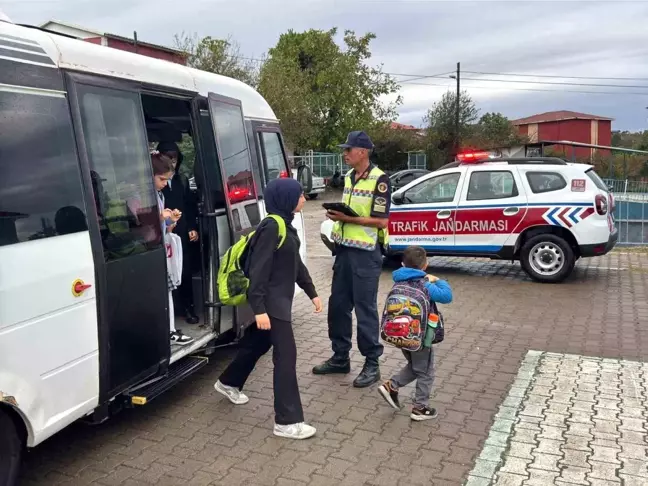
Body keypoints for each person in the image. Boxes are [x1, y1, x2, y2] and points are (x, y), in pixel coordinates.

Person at [214, 178, 322, 440]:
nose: (304, 199)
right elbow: (257, 272)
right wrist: (259, 309)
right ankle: (287, 421)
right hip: (272, 305)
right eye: (299, 195)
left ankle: (228, 382)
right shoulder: (272, 227)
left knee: (259, 344)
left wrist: (312, 293)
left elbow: (295, 264)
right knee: (286, 358)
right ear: (286, 198)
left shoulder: (285, 225)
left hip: (277, 302)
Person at [313, 131, 391, 388]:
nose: (345, 153)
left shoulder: (380, 180)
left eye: (349, 149)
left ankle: (372, 363)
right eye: (344, 149)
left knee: (364, 308)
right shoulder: (349, 177)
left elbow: (381, 221)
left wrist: (348, 219)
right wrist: (337, 216)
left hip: (366, 253)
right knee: (338, 306)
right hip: (344, 250)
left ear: (364, 152)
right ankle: (340, 357)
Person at [377, 246, 452, 420]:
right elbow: (447, 296)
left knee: (417, 366)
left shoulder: (399, 283)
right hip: (421, 336)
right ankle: (420, 407)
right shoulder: (426, 285)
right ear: (425, 265)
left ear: (403, 264)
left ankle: (392, 386)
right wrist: (437, 280)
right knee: (425, 371)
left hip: (400, 335)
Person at [151, 151, 194, 346]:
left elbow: (164, 227)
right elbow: (142, 227)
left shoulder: (159, 195)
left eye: (167, 180)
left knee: (168, 289)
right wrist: (160, 218)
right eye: (161, 179)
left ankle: (169, 330)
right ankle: (165, 331)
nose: (165, 184)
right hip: (150, 250)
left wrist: (170, 221)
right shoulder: (141, 198)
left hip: (160, 248)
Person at [157, 141, 200, 325]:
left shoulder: (181, 179)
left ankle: (188, 308)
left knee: (184, 269)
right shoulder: (157, 181)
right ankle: (171, 313)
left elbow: (189, 206)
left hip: (180, 230)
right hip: (163, 230)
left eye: (174, 157)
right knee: (167, 272)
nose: (172, 160)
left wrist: (192, 226)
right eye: (168, 156)